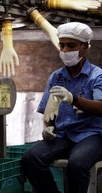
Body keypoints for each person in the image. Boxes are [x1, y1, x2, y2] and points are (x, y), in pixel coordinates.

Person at [22, 22, 102, 193]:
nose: (65, 50)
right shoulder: (56, 77)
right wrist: (49, 128)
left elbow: (100, 107)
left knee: (78, 163)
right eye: (62, 45)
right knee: (31, 158)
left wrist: (74, 99)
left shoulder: (97, 76)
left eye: (71, 45)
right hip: (63, 135)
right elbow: (48, 113)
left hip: (92, 136)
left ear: (85, 47)